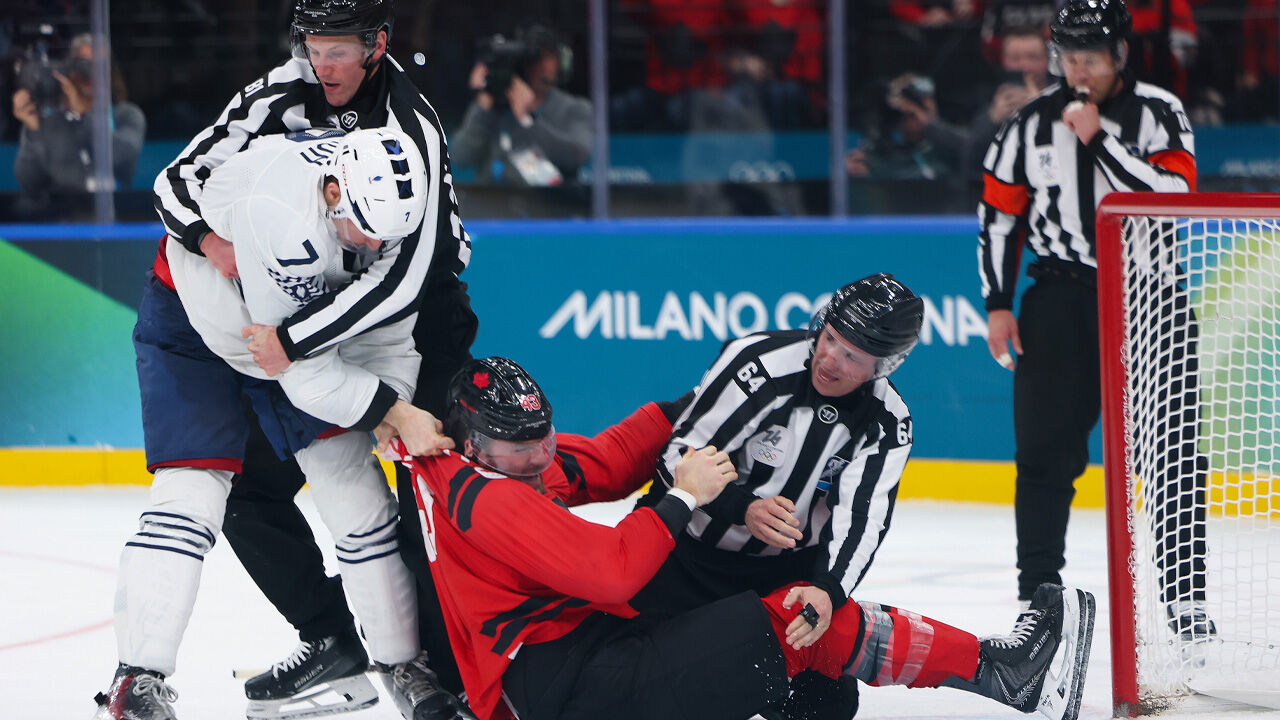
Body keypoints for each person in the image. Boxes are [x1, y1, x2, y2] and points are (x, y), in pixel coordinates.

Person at [390, 355, 1097, 720]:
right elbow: (610, 571)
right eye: (522, 445)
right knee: (795, 620)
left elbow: (600, 461)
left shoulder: (466, 460)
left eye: (543, 433)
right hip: (571, 691)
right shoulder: (488, 500)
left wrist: (714, 404)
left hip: (576, 665)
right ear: (476, 441)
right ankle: (1004, 674)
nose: (542, 453)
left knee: (819, 691)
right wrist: (682, 495)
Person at [150, 0, 478, 714]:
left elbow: (403, 279)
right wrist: (214, 244)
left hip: (415, 317)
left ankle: (441, 671)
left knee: (416, 494)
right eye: (314, 48)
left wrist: (307, 351)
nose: (323, 65)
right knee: (250, 490)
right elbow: (176, 180)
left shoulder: (411, 125)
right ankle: (333, 640)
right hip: (304, 305)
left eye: (340, 51)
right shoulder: (278, 94)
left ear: (378, 45)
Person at [91, 128, 458, 720]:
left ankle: (402, 665)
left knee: (356, 491)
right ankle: (137, 677)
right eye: (363, 228)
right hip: (198, 320)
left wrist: (397, 401)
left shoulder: (392, 223)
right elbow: (293, 370)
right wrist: (392, 411)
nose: (372, 245)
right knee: (190, 493)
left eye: (384, 237)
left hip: (293, 338)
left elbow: (387, 328)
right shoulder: (280, 218)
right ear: (332, 190)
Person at [978, 0, 1211, 637]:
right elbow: (999, 215)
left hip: (1149, 294)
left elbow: (1173, 198)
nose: (1079, 68)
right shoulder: (1028, 123)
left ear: (1121, 54)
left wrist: (1099, 139)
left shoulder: (1160, 111)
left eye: (1091, 56)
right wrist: (999, 303)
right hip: (1058, 298)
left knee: (1172, 452)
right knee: (1045, 453)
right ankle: (1038, 592)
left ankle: (1186, 598)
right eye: (1068, 55)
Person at [627, 272, 920, 718]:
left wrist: (828, 590)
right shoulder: (759, 363)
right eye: (830, 337)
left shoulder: (887, 422)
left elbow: (862, 521)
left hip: (783, 582)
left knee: (824, 708)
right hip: (682, 558)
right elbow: (677, 459)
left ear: (882, 366)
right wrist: (743, 508)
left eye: (852, 356)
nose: (829, 359)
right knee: (617, 683)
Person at [11, 37, 145, 215]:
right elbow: (29, 183)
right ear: (69, 70)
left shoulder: (126, 115)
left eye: (99, 65)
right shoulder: (50, 121)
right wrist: (34, 131)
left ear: (110, 71)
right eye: (84, 64)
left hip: (117, 213)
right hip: (60, 218)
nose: (91, 73)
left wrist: (83, 115)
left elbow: (120, 155)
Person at [451, 25, 592, 186]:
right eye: (535, 59)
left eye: (547, 57)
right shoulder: (495, 107)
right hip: (493, 205)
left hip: (551, 206)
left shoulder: (575, 109)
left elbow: (577, 156)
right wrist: (483, 103)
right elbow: (460, 158)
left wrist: (527, 120)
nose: (541, 67)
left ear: (560, 61)